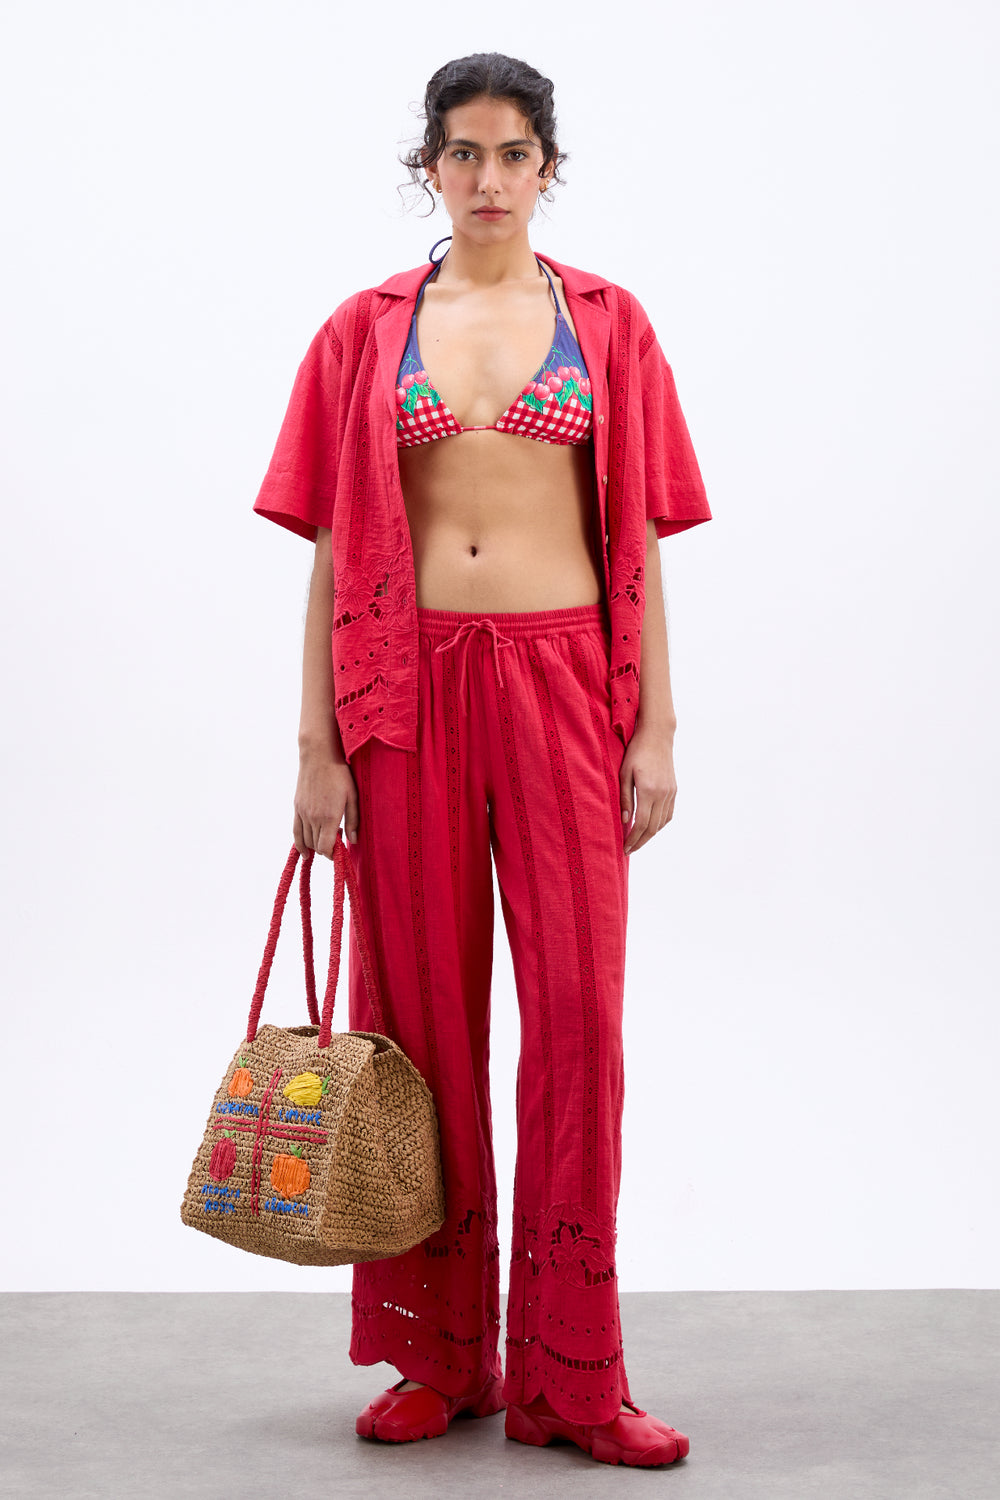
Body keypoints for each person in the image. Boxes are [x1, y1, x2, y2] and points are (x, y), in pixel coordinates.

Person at [252, 52, 711, 1470]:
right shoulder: (364, 331)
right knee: (420, 1023)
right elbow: (334, 546)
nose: (490, 177)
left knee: (579, 1027)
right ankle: (440, 1356)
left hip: (565, 687)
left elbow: (639, 537)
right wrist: (318, 743)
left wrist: (656, 727)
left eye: (515, 153)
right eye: (464, 152)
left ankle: (575, 1376)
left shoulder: (609, 324)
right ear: (430, 168)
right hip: (406, 697)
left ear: (547, 168)